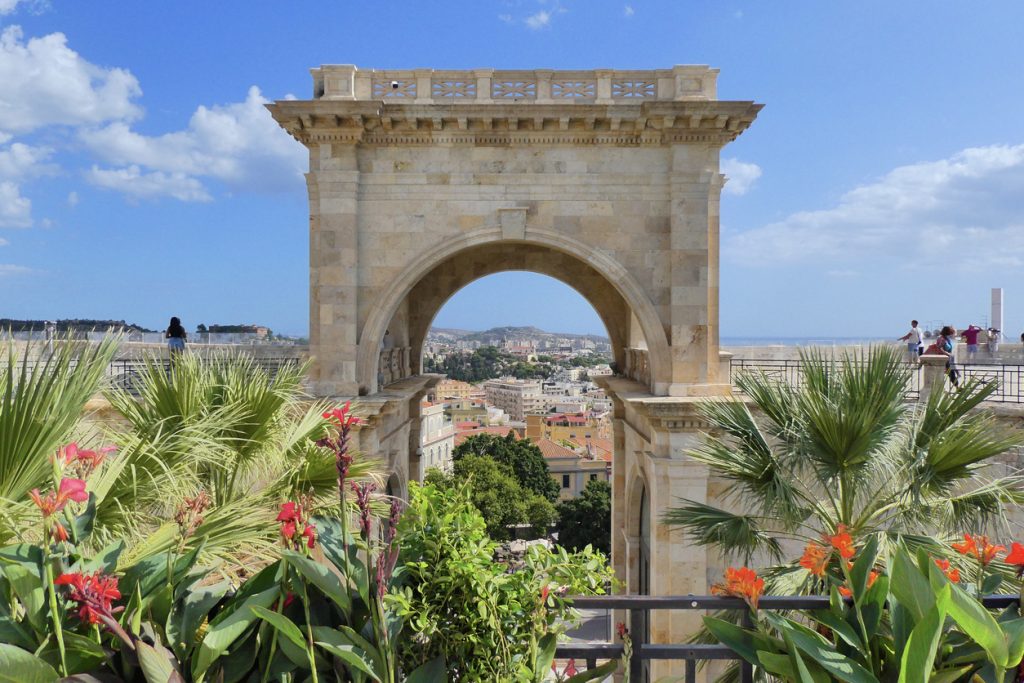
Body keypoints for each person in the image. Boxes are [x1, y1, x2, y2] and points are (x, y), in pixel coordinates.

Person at [935, 325, 960, 389]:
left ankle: (957, 387)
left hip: (949, 359)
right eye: (950, 332)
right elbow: (939, 348)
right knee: (950, 373)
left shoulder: (947, 338)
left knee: (951, 373)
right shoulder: (942, 339)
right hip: (943, 359)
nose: (951, 334)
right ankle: (956, 387)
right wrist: (947, 354)